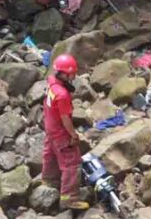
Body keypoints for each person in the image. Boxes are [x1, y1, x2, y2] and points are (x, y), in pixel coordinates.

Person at [42, 54, 89, 211]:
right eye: (72, 74)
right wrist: (73, 135)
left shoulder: (52, 82)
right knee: (71, 163)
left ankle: (49, 180)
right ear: (66, 73)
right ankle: (69, 198)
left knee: (50, 153)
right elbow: (65, 119)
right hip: (60, 130)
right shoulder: (62, 95)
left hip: (50, 127)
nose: (74, 76)